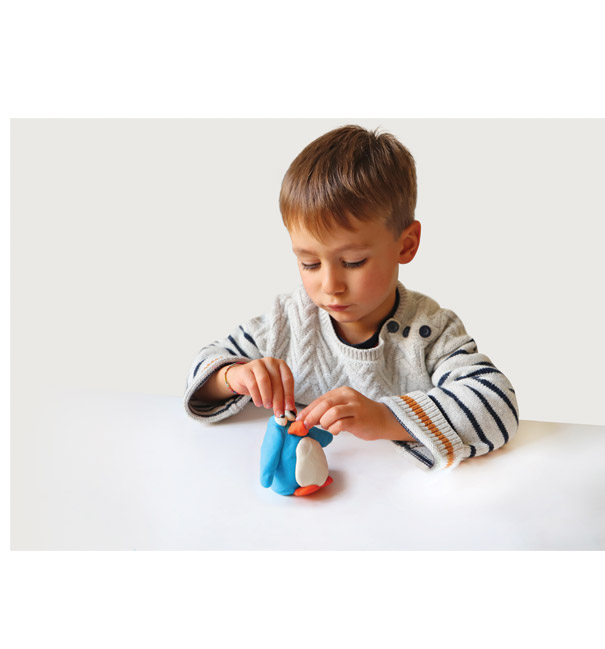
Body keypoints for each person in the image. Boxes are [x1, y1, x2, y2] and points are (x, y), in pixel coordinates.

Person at [184, 125, 519, 470]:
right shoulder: (288, 321)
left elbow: (498, 405)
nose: (331, 285)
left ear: (406, 245)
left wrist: (384, 418)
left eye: (353, 262)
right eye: (309, 263)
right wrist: (232, 377)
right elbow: (201, 371)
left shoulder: (429, 331)